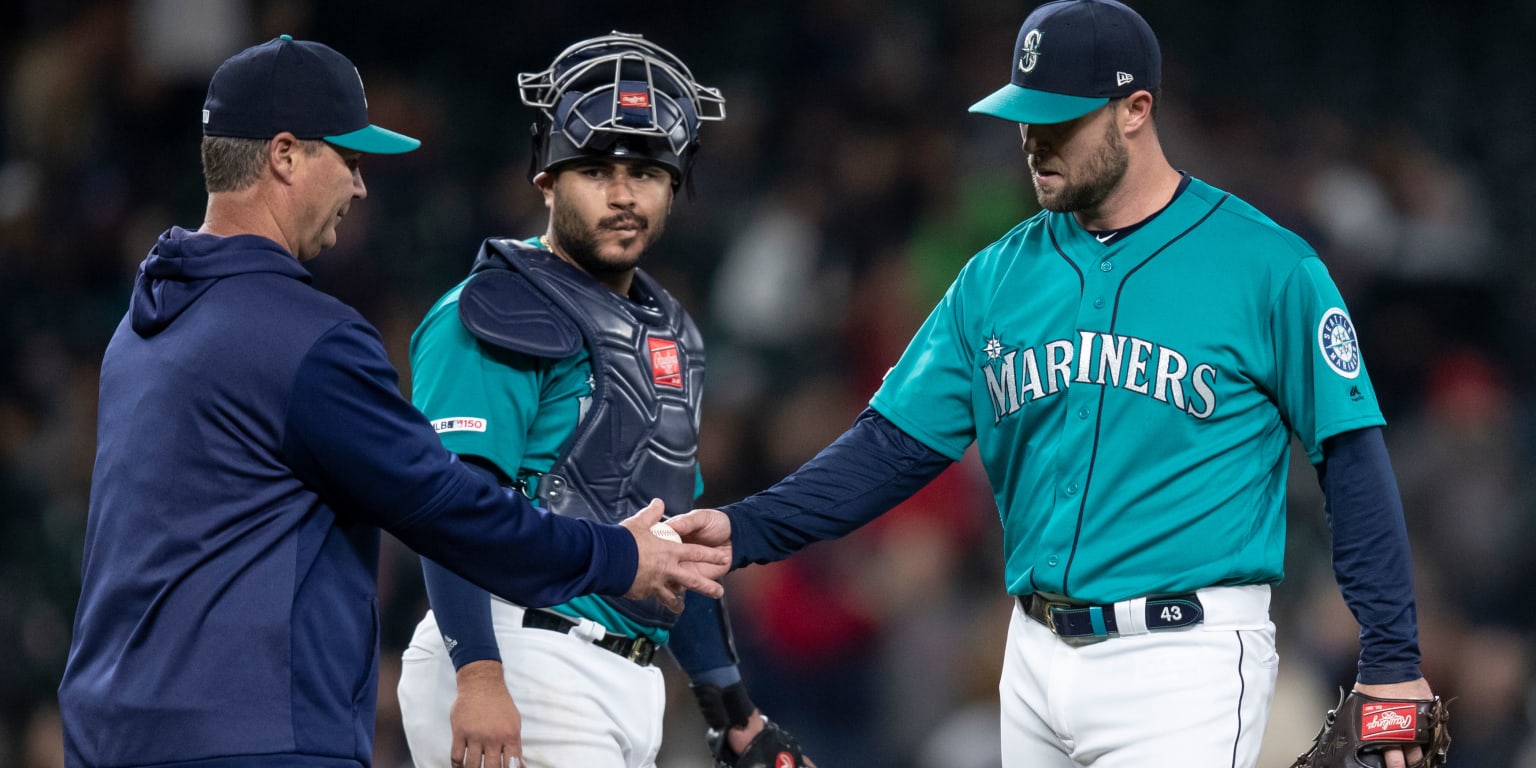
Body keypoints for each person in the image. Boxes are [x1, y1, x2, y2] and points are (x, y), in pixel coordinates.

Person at [670, 2, 1438, 766]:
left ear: (1136, 109)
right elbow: (893, 445)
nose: (1034, 143)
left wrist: (1393, 662)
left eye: (1059, 121)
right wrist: (748, 529)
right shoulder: (997, 277)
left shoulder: (1267, 267)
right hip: (1033, 656)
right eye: (1024, 118)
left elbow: (1351, 459)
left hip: (1183, 658)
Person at [56, 35, 728, 768]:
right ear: (284, 155)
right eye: (348, 160)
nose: (359, 186)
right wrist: (612, 554)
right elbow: (452, 508)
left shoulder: (143, 326)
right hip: (250, 736)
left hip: (110, 729)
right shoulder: (303, 338)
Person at [395, 32, 813, 768]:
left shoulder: (670, 329)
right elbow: (447, 504)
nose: (623, 194)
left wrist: (733, 713)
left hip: (621, 676)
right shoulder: (497, 305)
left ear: (675, 186)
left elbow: (674, 543)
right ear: (546, 178)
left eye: (647, 172)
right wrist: (482, 676)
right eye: (594, 169)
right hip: (516, 649)